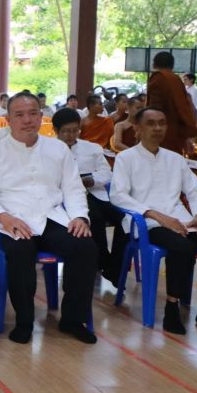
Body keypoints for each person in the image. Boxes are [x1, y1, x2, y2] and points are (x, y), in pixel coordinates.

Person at [0, 92, 98, 344]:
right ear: (8, 119)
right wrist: (4, 217)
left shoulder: (58, 149)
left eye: (32, 114)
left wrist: (79, 217)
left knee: (85, 247)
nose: (27, 120)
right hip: (13, 219)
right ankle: (24, 322)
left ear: (41, 117)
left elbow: (73, 188)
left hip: (52, 217)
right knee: (20, 252)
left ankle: (73, 319)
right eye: (19, 115)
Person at [112, 107, 197, 335]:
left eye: (162, 123)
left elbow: (195, 190)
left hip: (183, 221)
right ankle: (172, 308)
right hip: (148, 223)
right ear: (137, 128)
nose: (157, 128)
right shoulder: (126, 158)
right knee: (183, 247)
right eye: (151, 123)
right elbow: (118, 195)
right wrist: (156, 215)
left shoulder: (175, 158)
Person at [53, 108, 125, 284]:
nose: (71, 135)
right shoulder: (49, 150)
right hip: (68, 198)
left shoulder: (92, 148)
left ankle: (115, 266)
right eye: (66, 131)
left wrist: (91, 180)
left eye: (75, 130)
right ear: (56, 130)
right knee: (94, 217)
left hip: (95, 192)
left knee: (125, 219)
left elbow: (107, 173)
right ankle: (103, 262)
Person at [146, 51, 197, 154]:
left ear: (154, 64)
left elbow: (154, 108)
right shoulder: (176, 79)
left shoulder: (158, 77)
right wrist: (185, 135)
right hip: (175, 130)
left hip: (159, 129)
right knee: (172, 159)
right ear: (172, 65)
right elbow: (184, 107)